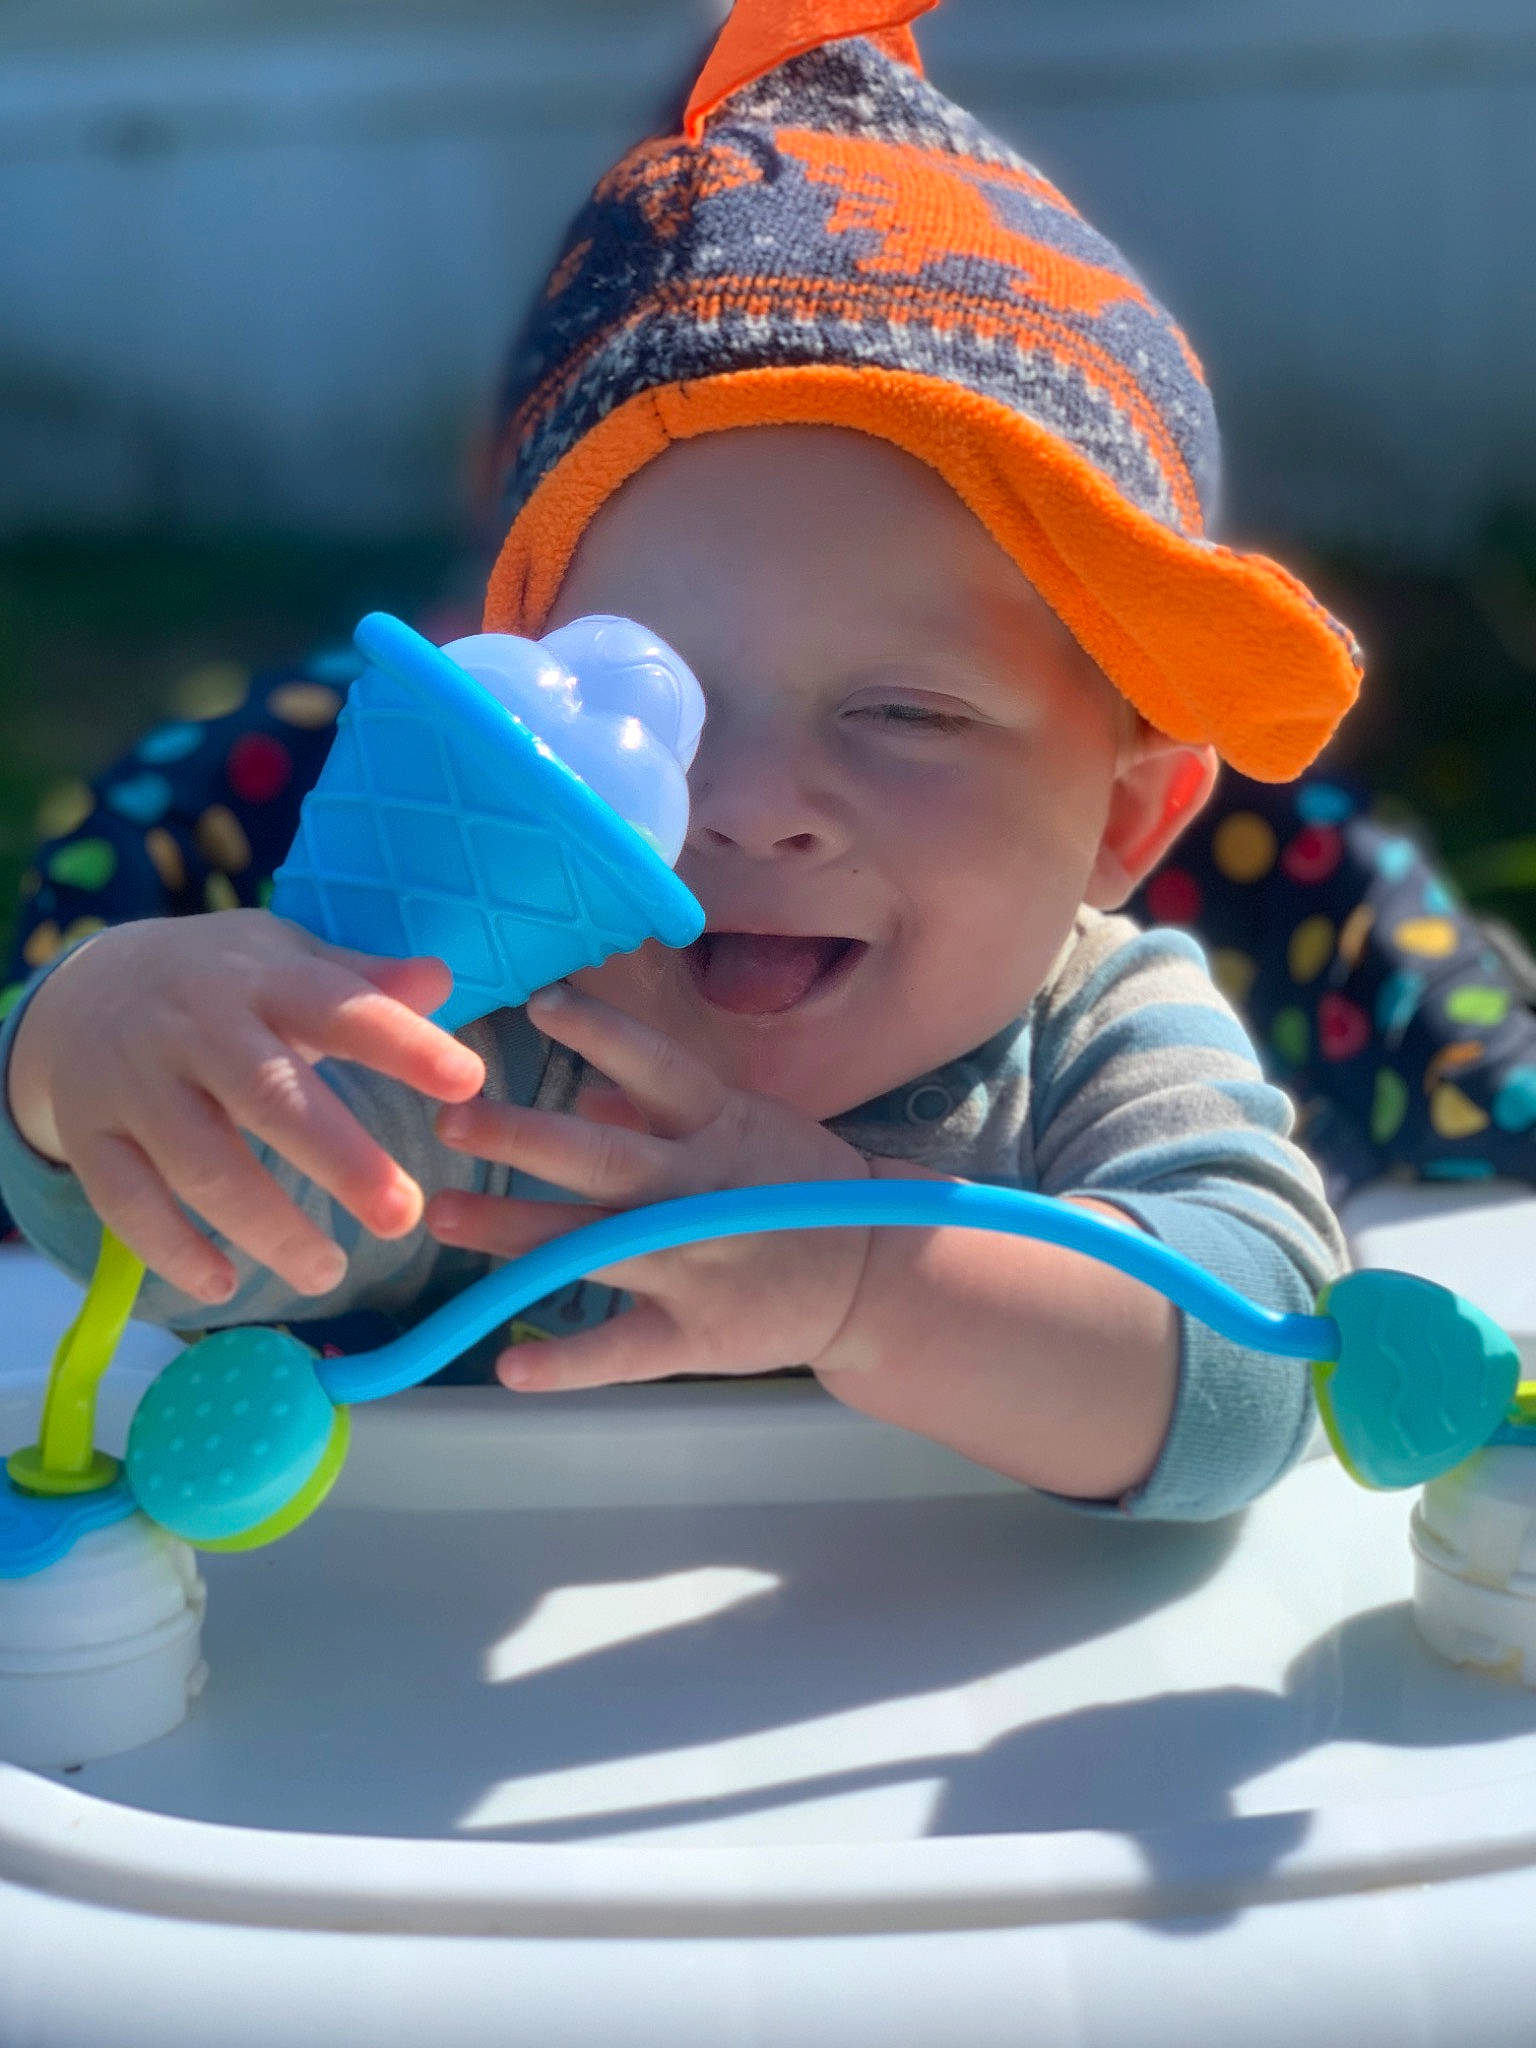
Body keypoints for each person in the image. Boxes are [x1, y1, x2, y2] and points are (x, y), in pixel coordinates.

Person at [0, 0, 1371, 1521]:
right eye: (657, 714)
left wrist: (867, 1284)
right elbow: (217, 1237)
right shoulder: (495, 1038)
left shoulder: (1101, 1045)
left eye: (906, 715)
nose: (753, 809)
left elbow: (1265, 1377)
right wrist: (86, 1056)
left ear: (1129, 816)